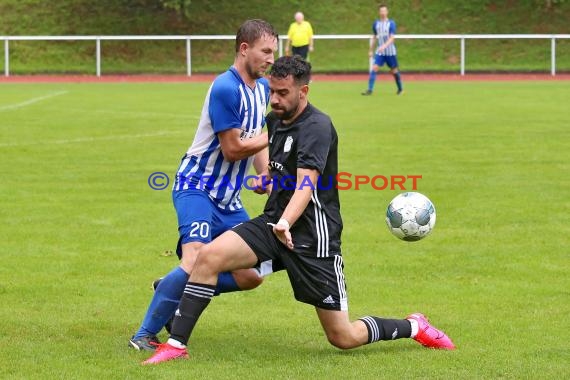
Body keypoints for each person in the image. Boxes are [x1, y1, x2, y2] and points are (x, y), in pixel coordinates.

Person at [142, 56, 455, 365]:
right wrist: (267, 180)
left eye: (283, 93)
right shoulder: (275, 119)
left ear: (303, 92)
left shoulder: (317, 127)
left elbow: (306, 185)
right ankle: (175, 345)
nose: (274, 99)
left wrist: (286, 223)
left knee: (342, 337)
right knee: (208, 257)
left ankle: (414, 325)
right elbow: (278, 161)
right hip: (274, 223)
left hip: (312, 237)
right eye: (272, 91)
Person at [128, 19, 279, 351]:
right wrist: (275, 134)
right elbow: (233, 147)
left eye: (274, 52)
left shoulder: (263, 89)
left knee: (250, 276)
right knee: (195, 259)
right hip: (195, 186)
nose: (271, 59)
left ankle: (172, 288)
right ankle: (144, 334)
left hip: (228, 199)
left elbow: (256, 143)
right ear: (244, 49)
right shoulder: (226, 87)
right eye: (265, 51)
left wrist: (266, 173)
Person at [362, 4, 403, 95]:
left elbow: (392, 38)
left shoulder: (391, 23)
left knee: (394, 71)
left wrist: (384, 46)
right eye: (381, 11)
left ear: (387, 12)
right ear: (379, 12)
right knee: (375, 68)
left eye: (384, 11)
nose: (383, 13)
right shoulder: (376, 24)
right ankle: (370, 90)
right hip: (380, 52)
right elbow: (375, 37)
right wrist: (371, 50)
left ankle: (400, 89)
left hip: (390, 52)